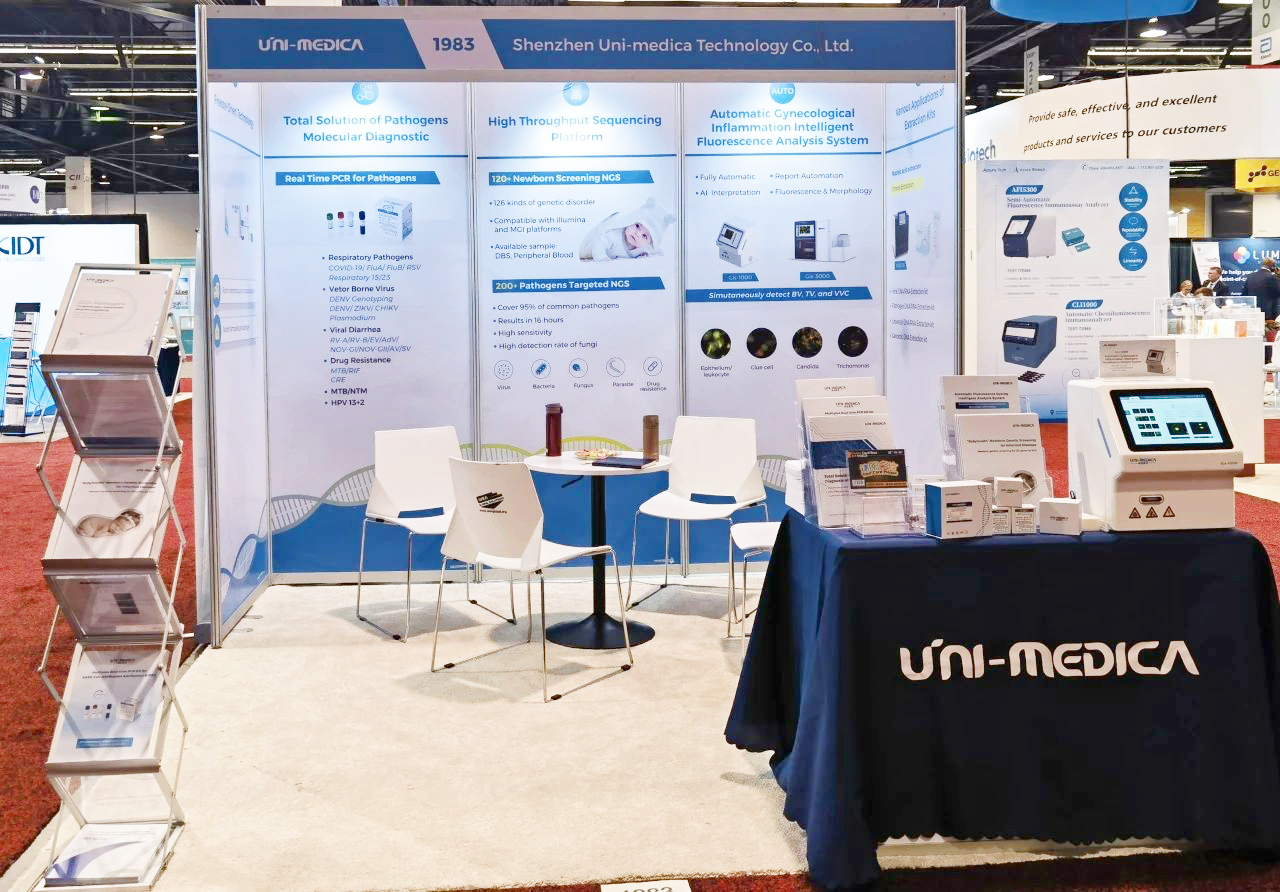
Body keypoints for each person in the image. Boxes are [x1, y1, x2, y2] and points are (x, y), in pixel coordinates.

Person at [1245, 257, 1280, 323]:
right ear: (1273, 267)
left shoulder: (1250, 276)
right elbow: (1278, 293)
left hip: (1252, 312)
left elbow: (1244, 294)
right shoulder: (1273, 277)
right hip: (1269, 315)